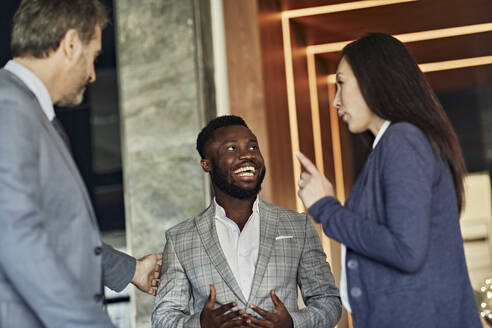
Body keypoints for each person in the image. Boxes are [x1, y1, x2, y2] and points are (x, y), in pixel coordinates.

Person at [296, 32, 481, 327]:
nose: (336, 101)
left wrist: (327, 208)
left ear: (374, 78)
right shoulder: (391, 145)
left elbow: (406, 250)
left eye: (341, 84)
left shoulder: (402, 140)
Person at [0, 1, 162, 327]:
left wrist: (131, 270)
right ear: (71, 44)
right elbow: (16, 237)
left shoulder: (28, 109)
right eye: (94, 56)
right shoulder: (9, 107)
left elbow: (57, 231)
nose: (91, 74)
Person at [152, 115, 342, 328]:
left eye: (253, 147)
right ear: (207, 164)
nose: (247, 156)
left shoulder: (298, 226)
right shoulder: (180, 239)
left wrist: (293, 324)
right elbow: (163, 317)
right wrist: (201, 325)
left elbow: (329, 302)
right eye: (231, 149)